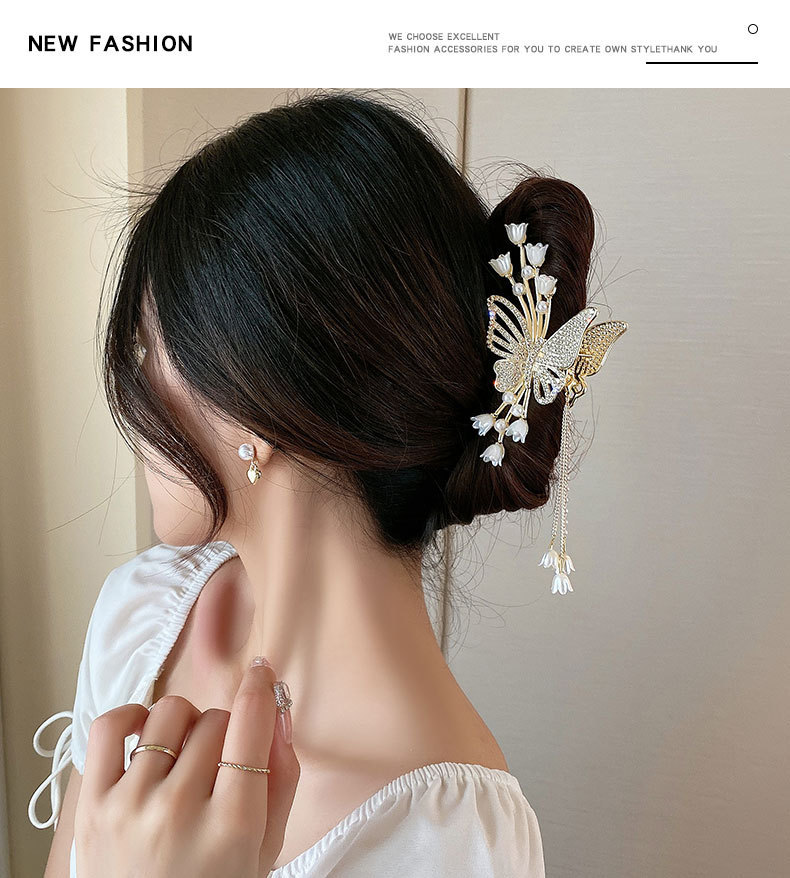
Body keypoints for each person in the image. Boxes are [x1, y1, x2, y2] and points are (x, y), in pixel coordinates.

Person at [29, 88, 596, 876]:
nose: (139, 380)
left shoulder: (455, 844)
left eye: (151, 347)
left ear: (253, 399)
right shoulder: (143, 613)